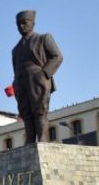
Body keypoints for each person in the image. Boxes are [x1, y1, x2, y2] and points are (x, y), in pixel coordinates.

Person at [11, 10, 63, 144]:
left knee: (39, 110)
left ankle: (42, 138)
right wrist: (16, 82)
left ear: (33, 23)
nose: (21, 26)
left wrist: (44, 73)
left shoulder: (43, 38)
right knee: (25, 112)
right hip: (21, 82)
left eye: (24, 23)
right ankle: (30, 139)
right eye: (18, 25)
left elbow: (57, 56)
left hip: (37, 79)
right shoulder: (15, 49)